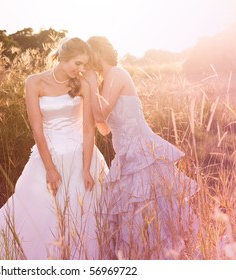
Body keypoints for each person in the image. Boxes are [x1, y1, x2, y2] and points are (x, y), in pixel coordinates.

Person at [0, 37, 108, 260]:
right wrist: (50, 169)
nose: (81, 69)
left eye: (84, 64)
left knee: (84, 215)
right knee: (37, 211)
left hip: (80, 154)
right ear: (63, 58)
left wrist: (86, 168)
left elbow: (88, 129)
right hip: (48, 154)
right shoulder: (34, 82)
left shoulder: (82, 84)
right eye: (77, 63)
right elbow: (37, 130)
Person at [84, 36, 199, 259]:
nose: (87, 63)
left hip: (143, 153)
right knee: (133, 217)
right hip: (125, 156)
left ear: (97, 53)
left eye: (89, 57)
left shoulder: (117, 73)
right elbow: (104, 129)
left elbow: (100, 113)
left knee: (155, 217)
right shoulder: (104, 82)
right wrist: (91, 90)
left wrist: (88, 84)